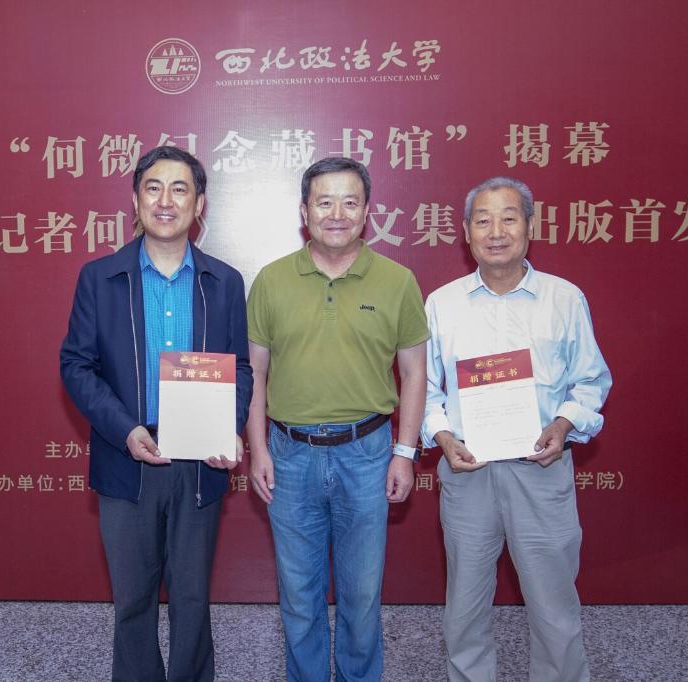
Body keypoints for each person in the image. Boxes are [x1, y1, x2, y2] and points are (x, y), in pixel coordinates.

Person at [60, 146, 252, 681]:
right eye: (153, 188)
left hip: (199, 461)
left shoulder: (224, 282)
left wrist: (229, 426)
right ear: (135, 200)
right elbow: (76, 365)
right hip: (127, 457)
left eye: (180, 189)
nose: (165, 201)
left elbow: (240, 368)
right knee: (132, 599)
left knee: (192, 597)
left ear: (199, 204)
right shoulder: (100, 278)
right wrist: (124, 430)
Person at [246, 157, 429, 681]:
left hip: (367, 454)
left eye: (350, 202)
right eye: (324, 202)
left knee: (362, 594)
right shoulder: (271, 280)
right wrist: (258, 450)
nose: (337, 213)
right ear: (304, 211)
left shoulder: (397, 281)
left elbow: (414, 372)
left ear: (367, 212)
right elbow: (254, 373)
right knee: (298, 593)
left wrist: (404, 452)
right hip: (289, 454)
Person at [422, 176, 612, 681]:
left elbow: (590, 381)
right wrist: (443, 437)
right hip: (469, 472)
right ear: (466, 232)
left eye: (509, 218)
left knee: (554, 606)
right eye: (483, 220)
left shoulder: (563, 299)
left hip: (541, 470)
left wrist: (564, 423)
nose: (496, 231)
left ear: (530, 225)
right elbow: (425, 390)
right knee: (464, 608)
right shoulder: (441, 303)